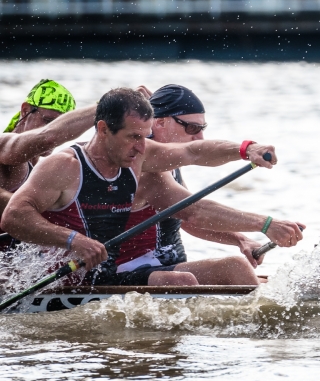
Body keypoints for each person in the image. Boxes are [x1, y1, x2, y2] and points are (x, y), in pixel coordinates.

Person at [1, 87, 281, 286]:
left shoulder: (139, 156)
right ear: (102, 129)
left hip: (110, 275)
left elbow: (194, 153)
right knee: (179, 281)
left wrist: (246, 149)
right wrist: (74, 240)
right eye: (133, 136)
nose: (142, 146)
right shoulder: (64, 166)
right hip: (64, 278)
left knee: (235, 268)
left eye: (145, 136)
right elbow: (13, 217)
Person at [113, 84, 304, 286]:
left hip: (165, 269)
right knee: (235, 268)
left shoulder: (169, 163)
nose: (199, 137)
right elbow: (195, 212)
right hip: (126, 272)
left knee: (276, 283)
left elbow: (187, 222)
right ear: (160, 123)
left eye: (202, 129)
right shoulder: (139, 162)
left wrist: (240, 240)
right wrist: (266, 224)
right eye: (192, 128)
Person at [0, 79, 97, 249]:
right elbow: (49, 137)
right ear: (25, 111)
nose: (59, 136)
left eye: (61, 124)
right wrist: (109, 105)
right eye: (48, 121)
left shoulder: (41, 168)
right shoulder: (4, 147)